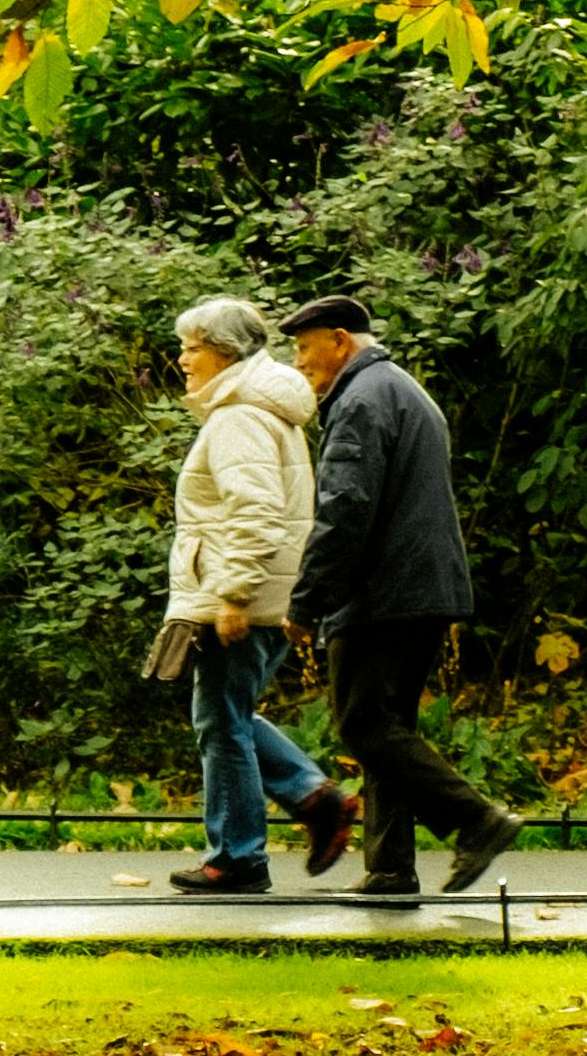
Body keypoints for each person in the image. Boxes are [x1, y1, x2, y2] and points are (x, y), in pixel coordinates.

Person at [277, 295, 515, 901]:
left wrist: (307, 601)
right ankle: (389, 868)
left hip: (384, 591)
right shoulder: (401, 388)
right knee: (388, 725)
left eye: (305, 349)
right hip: (423, 586)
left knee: (362, 725)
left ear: (338, 340)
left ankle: (477, 819)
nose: (301, 363)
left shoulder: (359, 400)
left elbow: (345, 510)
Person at [148, 298, 358, 896]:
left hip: (241, 594)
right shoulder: (261, 410)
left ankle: (238, 856)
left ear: (225, 352)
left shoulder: (239, 415)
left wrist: (233, 594)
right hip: (260, 592)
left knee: (220, 722)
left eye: (192, 347)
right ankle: (314, 798)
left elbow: (257, 512)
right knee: (226, 714)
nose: (182, 358)